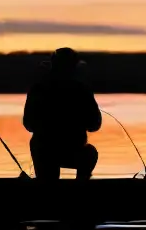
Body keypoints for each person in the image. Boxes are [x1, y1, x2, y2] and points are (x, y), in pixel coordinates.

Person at [23, 47, 102, 180]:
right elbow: (94, 125)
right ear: (75, 67)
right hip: (72, 151)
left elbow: (28, 125)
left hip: (44, 151)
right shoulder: (82, 90)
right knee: (90, 152)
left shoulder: (38, 88)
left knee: (39, 147)